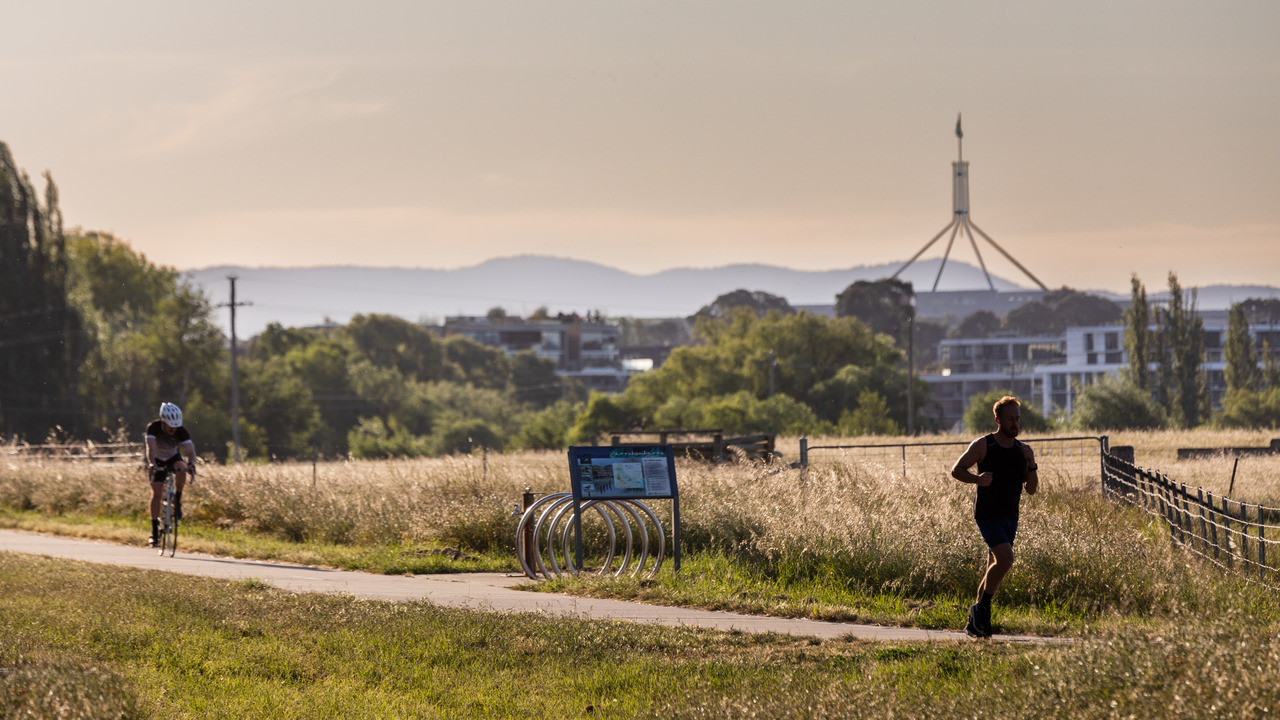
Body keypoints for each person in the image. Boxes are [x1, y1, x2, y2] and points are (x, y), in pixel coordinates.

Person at [950, 395, 1038, 638]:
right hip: (987, 515)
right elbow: (956, 470)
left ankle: (975, 623)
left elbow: (1031, 489)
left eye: (1018, 419)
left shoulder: (1022, 451)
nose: (1015, 424)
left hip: (1011, 516)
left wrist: (1032, 464)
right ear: (998, 419)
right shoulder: (984, 445)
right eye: (1010, 419)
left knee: (993, 566)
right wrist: (977, 479)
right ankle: (983, 608)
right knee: (1006, 559)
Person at [144, 402, 196, 547]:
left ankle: (177, 500)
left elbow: (190, 451)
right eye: (170, 426)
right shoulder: (153, 428)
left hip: (172, 457)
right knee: (157, 492)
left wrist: (191, 464)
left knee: (182, 466)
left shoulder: (181, 431)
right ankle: (154, 532)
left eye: (175, 426)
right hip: (157, 459)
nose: (173, 429)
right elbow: (151, 449)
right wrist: (152, 464)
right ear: (163, 422)